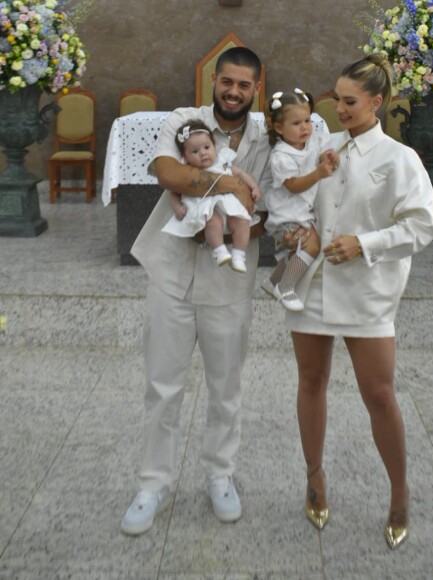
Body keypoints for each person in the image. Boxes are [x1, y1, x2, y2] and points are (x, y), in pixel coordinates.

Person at [285, 53, 433, 548]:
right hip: (314, 284)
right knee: (311, 380)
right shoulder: (325, 148)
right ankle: (314, 477)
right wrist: (300, 231)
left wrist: (364, 244)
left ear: (377, 101)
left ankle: (399, 493)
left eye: (349, 101)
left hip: (368, 290)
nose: (340, 108)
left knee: (379, 394)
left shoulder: (399, 159)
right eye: (336, 99)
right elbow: (296, 196)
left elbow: (420, 226)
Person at [121, 46, 271, 536]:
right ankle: (153, 482)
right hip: (170, 271)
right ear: (214, 81)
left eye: (244, 85)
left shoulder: (268, 137)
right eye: (227, 82)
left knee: (225, 386)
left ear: (256, 88)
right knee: (162, 384)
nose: (233, 92)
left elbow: (262, 209)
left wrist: (212, 191)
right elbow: (166, 172)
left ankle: (220, 474)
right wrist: (228, 181)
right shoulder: (185, 121)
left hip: (228, 279)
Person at [261, 88, 338, 311]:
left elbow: (322, 150)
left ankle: (272, 281)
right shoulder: (281, 156)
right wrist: (318, 174)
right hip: (287, 213)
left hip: (303, 210)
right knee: (311, 245)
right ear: (278, 128)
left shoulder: (312, 140)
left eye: (307, 120)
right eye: (296, 123)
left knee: (298, 251)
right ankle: (285, 288)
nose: (305, 127)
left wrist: (327, 156)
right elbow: (293, 186)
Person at [162, 119, 262, 273]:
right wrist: (177, 207)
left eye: (207, 147)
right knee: (212, 220)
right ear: (185, 155)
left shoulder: (222, 162)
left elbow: (240, 174)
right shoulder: (186, 170)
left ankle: (239, 255)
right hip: (205, 206)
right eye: (195, 151)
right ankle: (219, 251)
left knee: (242, 221)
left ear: (214, 146)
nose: (202, 153)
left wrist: (254, 187)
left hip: (230, 206)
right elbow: (174, 191)